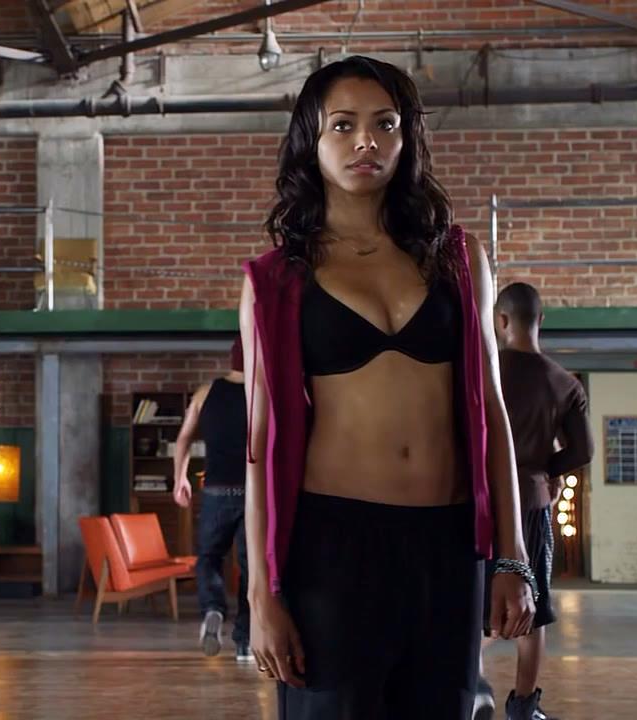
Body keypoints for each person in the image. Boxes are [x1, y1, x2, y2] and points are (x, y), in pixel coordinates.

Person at [238, 56, 538, 719]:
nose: (365, 142)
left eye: (385, 124)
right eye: (342, 126)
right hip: (332, 548)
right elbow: (259, 444)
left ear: (408, 138)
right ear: (311, 141)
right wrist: (262, 595)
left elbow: (492, 409)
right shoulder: (279, 278)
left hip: (447, 546)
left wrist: (512, 557)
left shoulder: (459, 257)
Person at [476, 282, 593, 720]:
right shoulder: (564, 383)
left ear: (501, 321)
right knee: (534, 608)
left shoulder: (483, 374)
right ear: (540, 320)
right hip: (531, 503)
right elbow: (583, 451)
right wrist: (546, 469)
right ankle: (523, 708)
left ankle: (472, 686)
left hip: (480, 504)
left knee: (474, 601)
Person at [172, 339, 251, 662]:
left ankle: (213, 610)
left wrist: (180, 478)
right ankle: (245, 641)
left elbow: (183, 439)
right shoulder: (263, 392)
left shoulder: (206, 393)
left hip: (216, 490)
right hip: (253, 494)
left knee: (208, 557)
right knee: (250, 567)